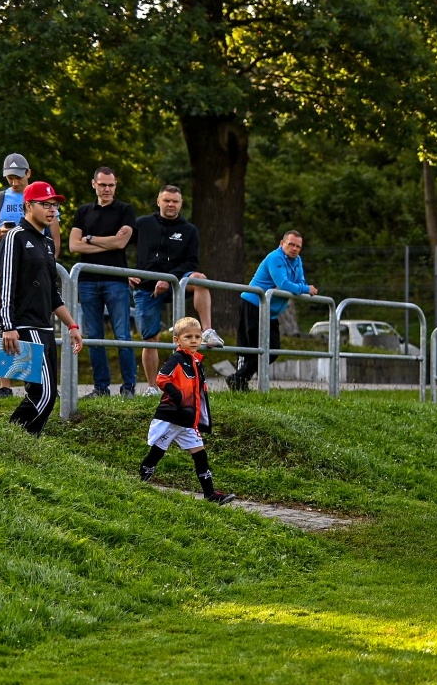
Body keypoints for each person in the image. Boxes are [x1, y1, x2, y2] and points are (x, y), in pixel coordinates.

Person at [0, 181, 83, 435]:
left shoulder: (45, 243)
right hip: (22, 327)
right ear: (28, 205)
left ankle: (25, 445)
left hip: (45, 328)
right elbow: (5, 285)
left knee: (44, 395)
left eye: (54, 205)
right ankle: (12, 441)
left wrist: (72, 325)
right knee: (43, 394)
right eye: (46, 204)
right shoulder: (15, 237)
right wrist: (7, 327)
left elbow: (52, 293)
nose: (52, 210)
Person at [0, 154, 60, 398]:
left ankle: (38, 382)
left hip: (37, 265)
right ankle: (5, 386)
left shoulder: (42, 198)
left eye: (18, 176)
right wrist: (1, 232)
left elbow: (54, 236)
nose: (14, 181)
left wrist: (50, 264)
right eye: (10, 177)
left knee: (36, 320)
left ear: (29, 173)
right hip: (9, 264)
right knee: (4, 317)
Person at [131, 185, 220, 392]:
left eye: (175, 201)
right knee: (151, 339)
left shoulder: (189, 230)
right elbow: (119, 246)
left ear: (181, 204)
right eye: (167, 200)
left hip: (177, 283)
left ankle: (207, 331)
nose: (171, 204)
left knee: (200, 279)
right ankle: (153, 387)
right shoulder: (142, 224)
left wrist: (169, 279)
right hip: (146, 287)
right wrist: (127, 271)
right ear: (158, 201)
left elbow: (192, 262)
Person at [139, 317, 236, 505]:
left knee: (200, 454)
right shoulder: (176, 359)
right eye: (188, 337)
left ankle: (210, 494)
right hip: (172, 417)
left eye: (198, 337)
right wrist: (176, 395)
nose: (193, 340)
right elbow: (161, 378)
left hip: (188, 420)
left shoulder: (196, 362)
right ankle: (142, 480)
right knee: (157, 451)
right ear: (177, 340)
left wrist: (200, 415)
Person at [69, 166, 139, 398]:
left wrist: (89, 238)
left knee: (122, 336)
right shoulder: (82, 211)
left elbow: (121, 243)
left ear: (115, 185)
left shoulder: (125, 210)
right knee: (94, 336)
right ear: (94, 184)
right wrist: (106, 241)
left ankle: (128, 387)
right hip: (88, 282)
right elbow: (73, 245)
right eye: (103, 185)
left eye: (111, 185)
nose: (107, 189)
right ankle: (101, 388)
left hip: (116, 282)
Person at [233, 230, 316, 391]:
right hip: (254, 304)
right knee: (252, 348)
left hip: (270, 311)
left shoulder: (297, 261)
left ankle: (238, 379)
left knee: (273, 350)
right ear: (281, 243)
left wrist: (300, 287)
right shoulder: (275, 257)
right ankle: (239, 382)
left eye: (298, 246)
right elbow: (284, 284)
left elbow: (298, 281)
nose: (294, 249)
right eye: (291, 244)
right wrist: (306, 289)